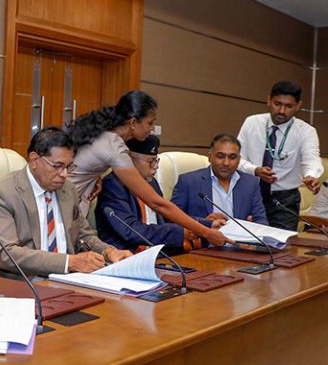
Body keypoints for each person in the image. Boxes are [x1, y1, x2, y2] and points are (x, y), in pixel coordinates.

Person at [67, 90, 232, 247]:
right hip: (64, 205)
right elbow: (156, 203)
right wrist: (205, 232)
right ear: (133, 123)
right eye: (150, 123)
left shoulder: (106, 136)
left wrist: (96, 177)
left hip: (72, 204)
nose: (152, 128)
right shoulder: (114, 145)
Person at [0, 127, 131, 279]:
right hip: (24, 281)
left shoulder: (68, 189)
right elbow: (7, 254)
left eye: (68, 167)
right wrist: (69, 262)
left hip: (69, 279)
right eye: (58, 166)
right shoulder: (2, 193)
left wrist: (108, 252)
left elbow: (83, 234)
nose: (64, 174)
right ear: (34, 160)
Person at [237, 80, 322, 230]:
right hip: (250, 193)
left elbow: (311, 159)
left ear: (298, 106)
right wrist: (255, 170)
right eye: (277, 104)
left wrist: (311, 175)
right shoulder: (252, 123)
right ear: (268, 100)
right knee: (245, 239)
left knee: (282, 242)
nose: (282, 111)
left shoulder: (306, 131)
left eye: (289, 106)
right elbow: (236, 159)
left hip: (285, 200)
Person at [95, 135, 194, 253]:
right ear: (129, 160)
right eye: (150, 161)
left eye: (156, 160)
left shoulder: (152, 183)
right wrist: (177, 232)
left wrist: (205, 224)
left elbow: (167, 218)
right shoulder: (113, 185)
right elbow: (130, 231)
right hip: (126, 256)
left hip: (159, 253)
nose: (156, 166)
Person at [172, 134, 268, 228]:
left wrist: (252, 231)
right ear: (210, 157)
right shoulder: (188, 182)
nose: (226, 163)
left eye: (232, 157)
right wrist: (205, 223)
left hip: (240, 238)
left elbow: (261, 221)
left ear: (239, 160)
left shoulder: (251, 183)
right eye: (220, 156)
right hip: (203, 238)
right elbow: (172, 218)